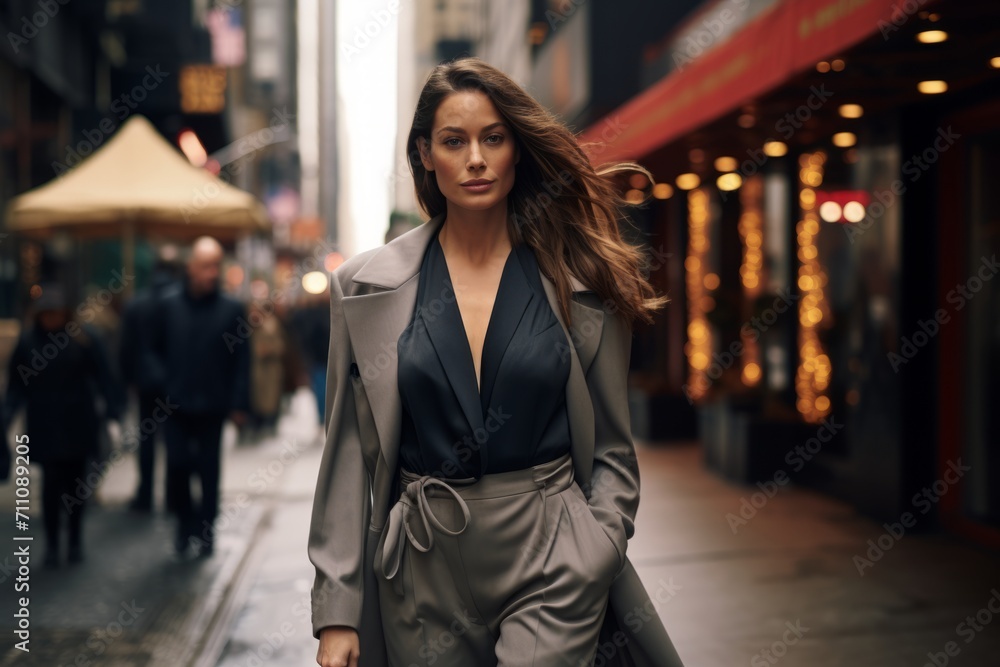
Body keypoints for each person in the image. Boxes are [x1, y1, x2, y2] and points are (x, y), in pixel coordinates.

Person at [309, 58, 684, 667]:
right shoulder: (364, 287)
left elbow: (615, 448)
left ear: (517, 148)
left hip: (551, 555)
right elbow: (347, 456)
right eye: (454, 141)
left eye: (493, 138)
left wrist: (598, 544)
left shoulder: (581, 282)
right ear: (426, 155)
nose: (476, 159)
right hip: (419, 568)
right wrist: (337, 609)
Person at [5, 285, 121, 567]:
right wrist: (6, 415)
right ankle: (54, 544)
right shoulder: (29, 341)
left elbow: (104, 375)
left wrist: (113, 410)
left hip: (78, 420)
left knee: (76, 484)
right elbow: (17, 384)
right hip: (44, 422)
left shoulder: (84, 338)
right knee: (51, 483)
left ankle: (75, 542)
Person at [153, 237, 250, 557]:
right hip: (175, 404)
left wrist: (238, 402)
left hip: (213, 404)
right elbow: (152, 350)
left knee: (209, 472)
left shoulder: (231, 308)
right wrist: (160, 383)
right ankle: (184, 523)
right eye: (206, 266)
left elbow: (241, 360)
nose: (212, 273)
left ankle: (206, 532)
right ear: (191, 267)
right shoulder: (168, 305)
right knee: (178, 466)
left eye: (216, 266)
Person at [119, 258, 178, 511]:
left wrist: (129, 379)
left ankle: (145, 494)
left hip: (145, 383)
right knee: (174, 440)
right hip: (174, 383)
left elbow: (126, 348)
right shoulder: (179, 303)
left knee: (147, 440)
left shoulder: (137, 304)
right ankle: (173, 496)